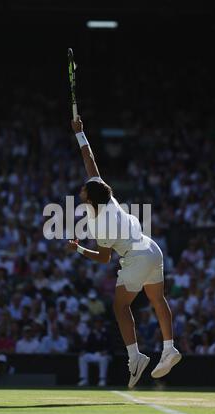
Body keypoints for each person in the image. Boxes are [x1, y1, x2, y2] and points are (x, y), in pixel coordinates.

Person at [67, 116, 181, 388]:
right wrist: (80, 133)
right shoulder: (109, 199)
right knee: (158, 299)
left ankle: (135, 357)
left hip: (136, 257)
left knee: (119, 306)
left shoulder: (98, 224)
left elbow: (104, 259)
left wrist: (79, 249)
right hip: (152, 248)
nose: (81, 189)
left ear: (90, 198)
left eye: (83, 189)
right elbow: (90, 160)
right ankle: (169, 348)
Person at [78, 317, 111, 387]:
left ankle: (102, 379)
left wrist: (106, 351)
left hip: (104, 355)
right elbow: (87, 345)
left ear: (101, 324)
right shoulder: (91, 333)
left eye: (99, 323)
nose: (97, 324)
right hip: (93, 355)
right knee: (82, 358)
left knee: (103, 359)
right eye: (96, 323)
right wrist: (84, 351)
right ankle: (84, 379)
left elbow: (111, 346)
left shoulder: (107, 333)